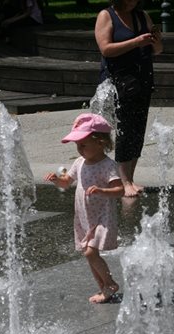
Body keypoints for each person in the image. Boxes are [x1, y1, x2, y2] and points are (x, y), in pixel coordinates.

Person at [44, 113, 124, 303]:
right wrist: (57, 180)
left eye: (83, 144)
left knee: (90, 252)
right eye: (77, 145)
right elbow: (66, 183)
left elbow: (120, 190)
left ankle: (110, 283)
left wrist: (102, 191)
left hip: (102, 216)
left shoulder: (108, 165)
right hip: (85, 216)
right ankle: (104, 288)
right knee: (88, 254)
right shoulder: (79, 163)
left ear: (101, 142)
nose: (79, 149)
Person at [94, 0, 163, 197]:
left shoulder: (143, 16)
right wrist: (136, 42)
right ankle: (123, 181)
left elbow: (157, 50)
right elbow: (105, 49)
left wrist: (155, 40)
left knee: (138, 129)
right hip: (119, 81)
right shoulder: (106, 16)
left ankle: (130, 178)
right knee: (125, 129)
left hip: (142, 78)